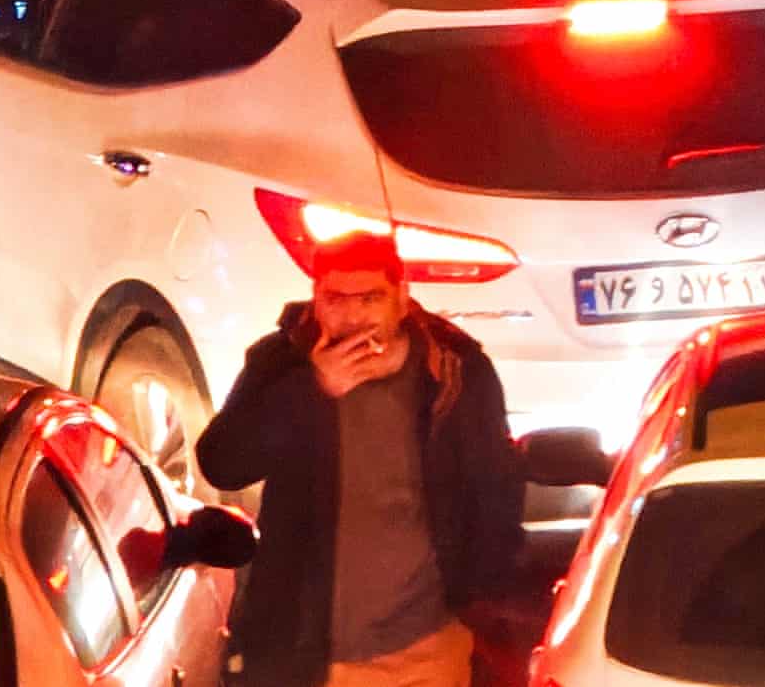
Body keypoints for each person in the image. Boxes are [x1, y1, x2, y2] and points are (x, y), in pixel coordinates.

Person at [193, 227, 525, 687]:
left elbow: (496, 492)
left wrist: (485, 606)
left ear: (402, 298)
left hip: (424, 646)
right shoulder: (282, 362)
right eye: (335, 299)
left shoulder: (453, 373)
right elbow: (222, 461)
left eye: (369, 299)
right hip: (308, 655)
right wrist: (313, 390)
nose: (351, 315)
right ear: (315, 299)